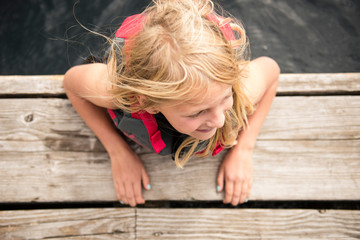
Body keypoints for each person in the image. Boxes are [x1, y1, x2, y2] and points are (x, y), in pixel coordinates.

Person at [63, 0, 280, 207]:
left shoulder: (240, 89)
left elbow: (271, 70)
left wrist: (244, 148)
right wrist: (118, 151)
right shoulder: (115, 91)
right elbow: (72, 84)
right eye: (198, 112)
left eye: (225, 98)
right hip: (154, 59)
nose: (220, 121)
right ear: (148, 103)